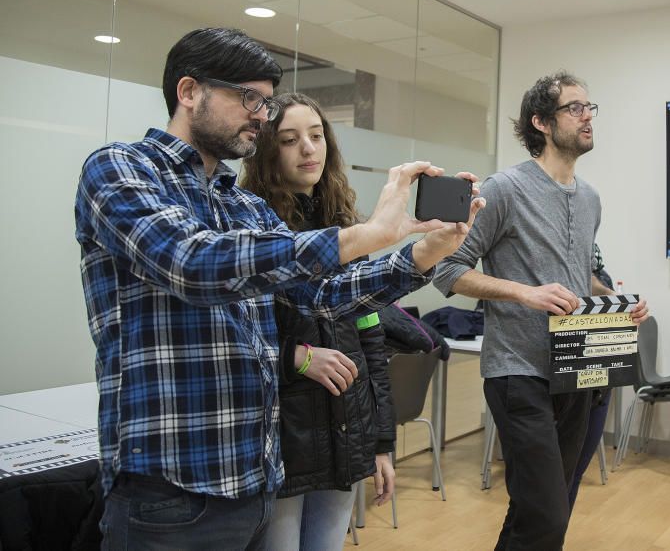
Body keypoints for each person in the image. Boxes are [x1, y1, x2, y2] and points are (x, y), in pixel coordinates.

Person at [74, 27, 483, 550]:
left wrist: (421, 253)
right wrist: (362, 235)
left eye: (266, 103)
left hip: (254, 480)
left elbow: (323, 295)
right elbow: (191, 263)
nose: (260, 116)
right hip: (170, 486)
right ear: (189, 91)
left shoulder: (244, 206)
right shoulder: (121, 169)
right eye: (249, 98)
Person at [433, 71, 648, 550]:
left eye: (590, 107)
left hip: (576, 371)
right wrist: (524, 293)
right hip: (518, 371)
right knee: (546, 512)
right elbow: (446, 270)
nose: (588, 116)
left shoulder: (590, 197)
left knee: (546, 508)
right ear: (542, 122)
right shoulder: (504, 188)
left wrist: (618, 305)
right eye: (575, 108)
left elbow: (580, 277)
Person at [239, 93, 394, 551]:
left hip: (345, 424)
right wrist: (295, 358)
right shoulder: (251, 226)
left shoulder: (348, 228)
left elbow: (371, 339)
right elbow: (236, 335)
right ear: (268, 150)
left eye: (316, 135)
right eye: (290, 140)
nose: (309, 149)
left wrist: (381, 442)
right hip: (283, 429)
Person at [567, 243, 615, 512]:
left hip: (594, 382)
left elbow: (588, 279)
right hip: (549, 378)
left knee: (573, 474)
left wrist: (614, 299)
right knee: (549, 482)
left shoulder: (597, 273)